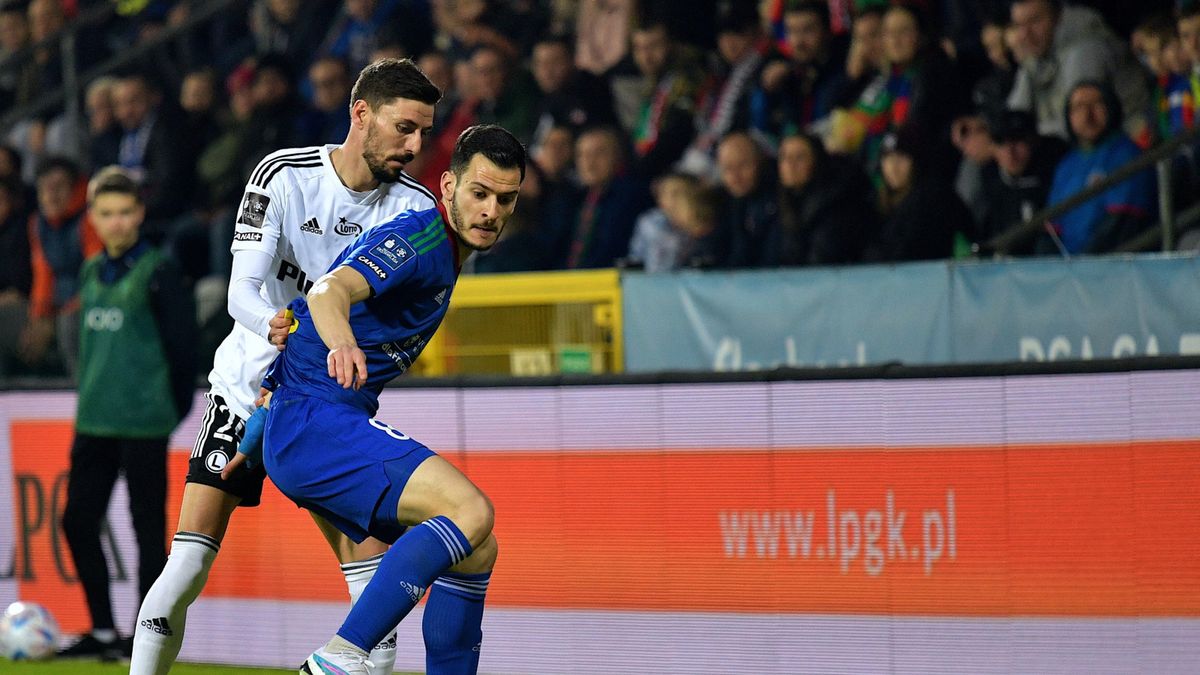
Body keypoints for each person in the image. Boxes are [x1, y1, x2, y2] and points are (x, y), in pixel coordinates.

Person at [130, 57, 442, 675]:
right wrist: (273, 326)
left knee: (374, 593)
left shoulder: (415, 209)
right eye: (404, 128)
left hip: (323, 407)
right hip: (246, 390)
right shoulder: (283, 175)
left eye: (424, 133)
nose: (414, 145)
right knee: (187, 566)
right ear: (360, 114)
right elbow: (240, 290)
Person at [227, 123, 525, 675]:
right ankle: (338, 659)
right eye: (479, 193)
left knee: (476, 550)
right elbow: (326, 291)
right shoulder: (424, 240)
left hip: (301, 427)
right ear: (448, 185)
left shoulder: (444, 252)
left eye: (505, 199)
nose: (491, 210)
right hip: (318, 425)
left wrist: (257, 430)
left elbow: (297, 342)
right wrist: (341, 343)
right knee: (470, 511)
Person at [57, 166, 197, 661]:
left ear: (139, 214)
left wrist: (166, 412)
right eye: (106, 214)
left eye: (124, 212)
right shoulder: (91, 269)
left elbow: (185, 353)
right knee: (77, 522)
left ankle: (143, 640)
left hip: (142, 426)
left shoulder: (158, 271)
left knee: (145, 535)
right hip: (93, 422)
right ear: (92, 217)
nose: (116, 223)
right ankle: (100, 632)